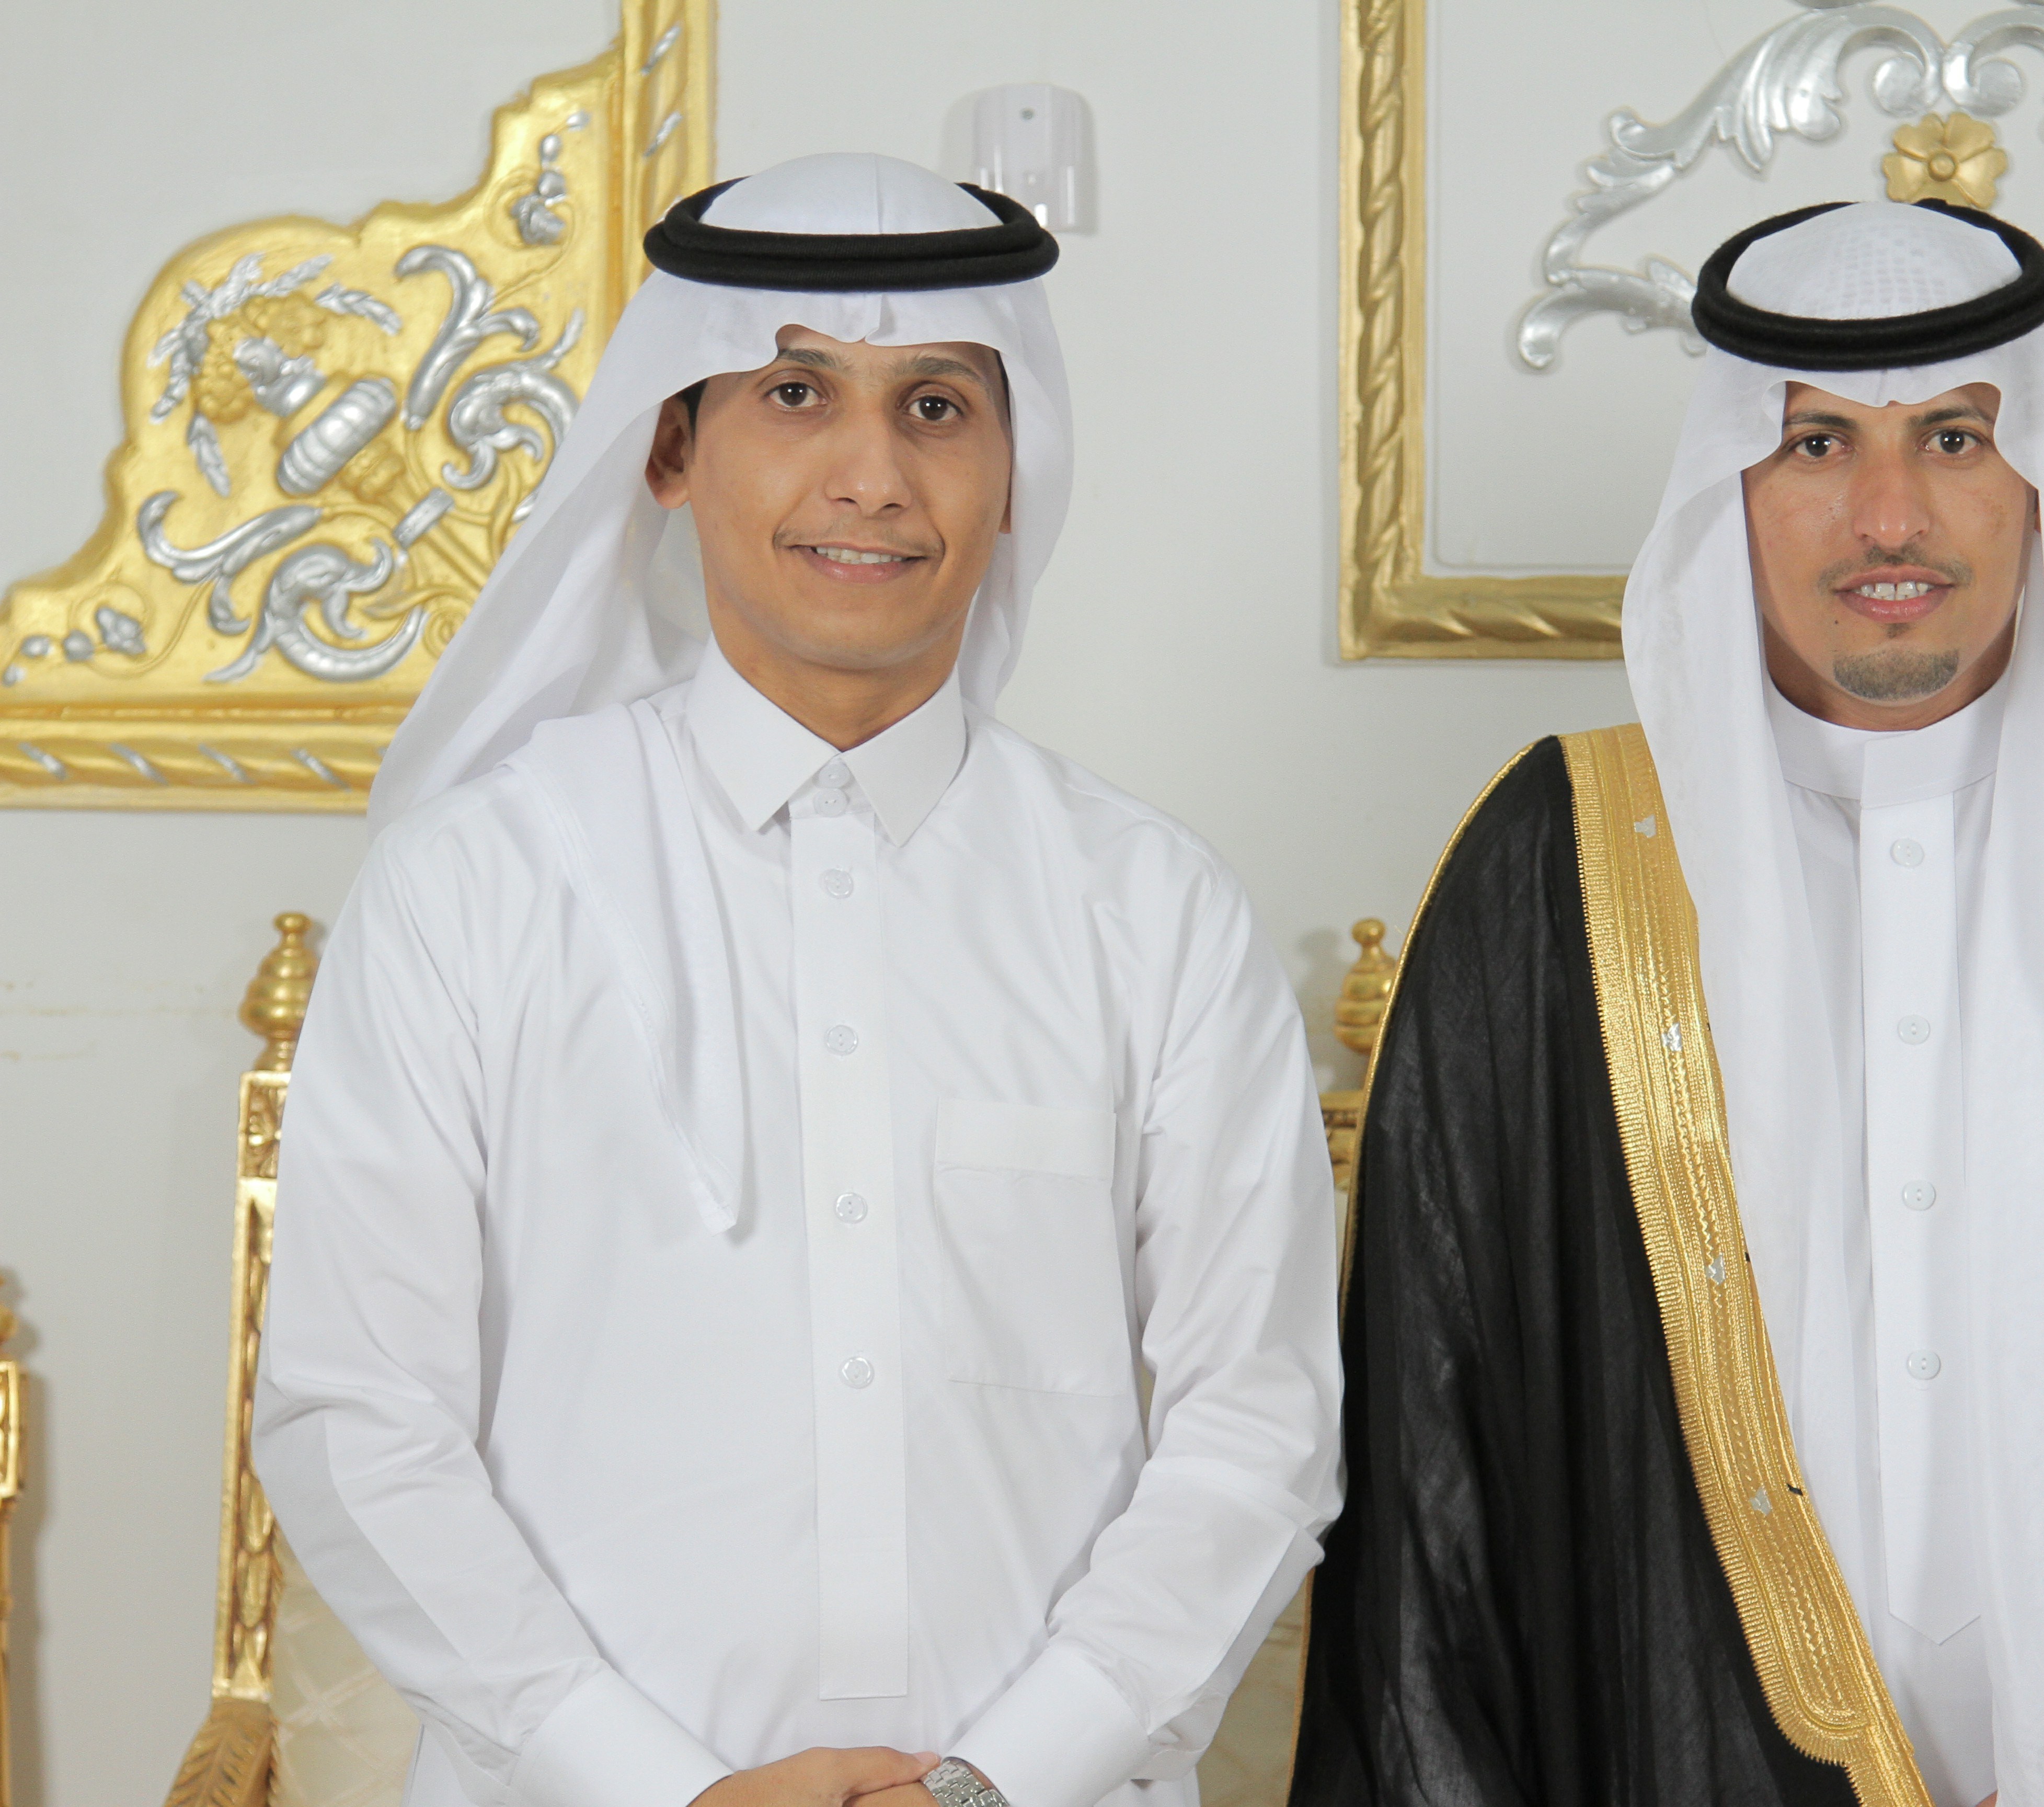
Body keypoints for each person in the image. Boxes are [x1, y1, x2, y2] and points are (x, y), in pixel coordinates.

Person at [1291, 200, 2044, 1807]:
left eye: (1955, 437)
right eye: (1816, 444)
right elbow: (1429, 1499)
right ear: (1730, 489)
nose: (1890, 516)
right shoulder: (1557, 864)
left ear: (2042, 481)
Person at [252, 155, 1340, 1807]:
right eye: (794, 393)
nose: (872, 477)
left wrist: (999, 1779)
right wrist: (658, 1787)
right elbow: (357, 1417)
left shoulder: (1155, 910)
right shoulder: (474, 886)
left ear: (1014, 467)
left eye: (936, 408)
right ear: (672, 449)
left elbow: (1257, 1427)